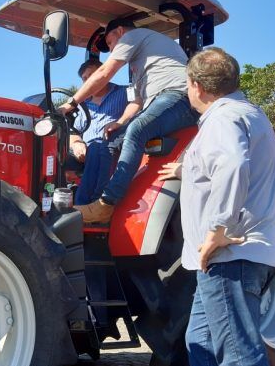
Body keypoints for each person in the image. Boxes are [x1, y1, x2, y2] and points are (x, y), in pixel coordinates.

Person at [161, 48, 275, 366]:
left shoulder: (220, 119)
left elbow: (232, 164)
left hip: (230, 257)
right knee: (201, 345)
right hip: (225, 261)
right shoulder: (246, 113)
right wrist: (187, 168)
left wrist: (217, 230)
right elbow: (222, 165)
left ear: (195, 87)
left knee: (244, 360)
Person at [59, 18, 198, 223]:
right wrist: (121, 121)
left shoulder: (133, 36)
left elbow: (105, 72)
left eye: (110, 43)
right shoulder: (143, 65)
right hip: (157, 101)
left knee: (136, 130)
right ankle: (90, 203)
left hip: (178, 98)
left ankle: (106, 204)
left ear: (120, 31)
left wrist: (70, 103)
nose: (112, 49)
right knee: (109, 140)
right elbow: (140, 99)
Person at [68, 58, 128, 205]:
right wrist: (76, 143)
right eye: (85, 79)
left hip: (113, 145)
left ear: (104, 74)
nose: (89, 81)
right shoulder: (83, 105)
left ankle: (87, 204)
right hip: (86, 150)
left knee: (96, 147)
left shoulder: (124, 93)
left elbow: (136, 112)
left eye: (92, 75)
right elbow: (73, 131)